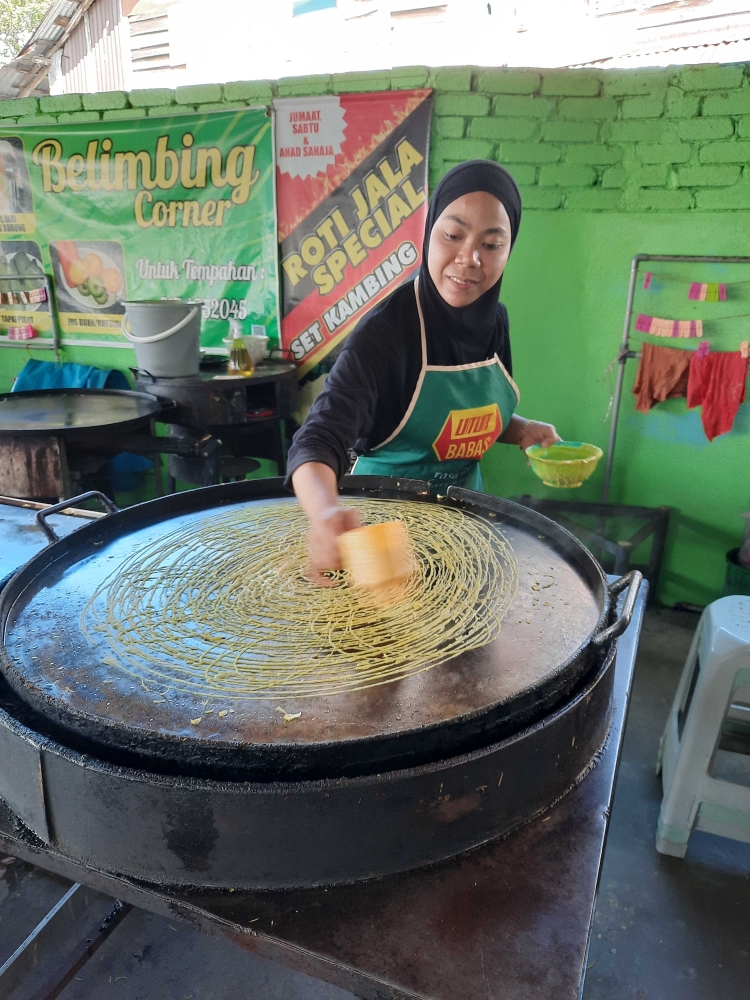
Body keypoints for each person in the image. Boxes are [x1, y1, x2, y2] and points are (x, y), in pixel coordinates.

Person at [288, 159, 561, 580]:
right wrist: (325, 513)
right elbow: (318, 438)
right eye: (452, 235)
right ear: (429, 232)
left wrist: (521, 430)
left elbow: (467, 419)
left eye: (491, 245)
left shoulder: (495, 321)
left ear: (509, 249)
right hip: (380, 544)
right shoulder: (386, 330)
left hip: (465, 532)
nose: (469, 258)